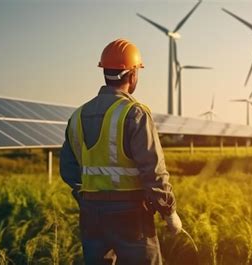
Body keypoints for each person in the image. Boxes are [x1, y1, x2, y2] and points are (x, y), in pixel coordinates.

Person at [60, 39, 182, 265]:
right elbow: (152, 169)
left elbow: (67, 169)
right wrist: (169, 210)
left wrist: (87, 196)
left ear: (105, 71)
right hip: (131, 213)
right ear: (133, 74)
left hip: (90, 212)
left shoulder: (77, 115)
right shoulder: (134, 113)